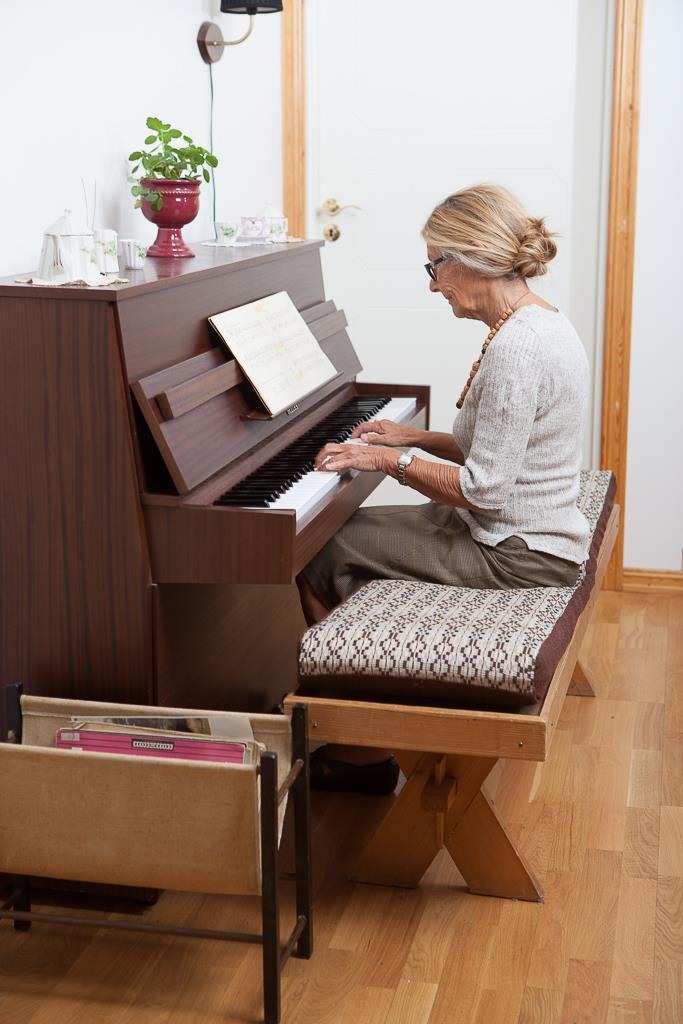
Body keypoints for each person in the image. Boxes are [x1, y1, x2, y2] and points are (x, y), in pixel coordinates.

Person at [297, 183, 590, 794]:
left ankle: (364, 753)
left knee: (321, 549)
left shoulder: (518, 349)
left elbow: (485, 491)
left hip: (518, 552)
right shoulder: (537, 322)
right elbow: (502, 453)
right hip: (530, 532)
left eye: (435, 266)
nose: (432, 285)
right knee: (351, 539)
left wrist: (384, 460)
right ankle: (374, 688)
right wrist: (415, 441)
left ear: (472, 255)